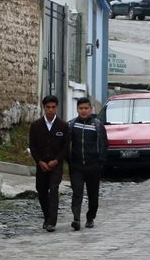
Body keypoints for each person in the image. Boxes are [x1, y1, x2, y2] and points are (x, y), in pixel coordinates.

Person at [28, 94, 70, 232]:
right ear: (44, 108)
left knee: (53, 190)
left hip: (56, 165)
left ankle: (52, 221)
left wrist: (56, 161)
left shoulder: (63, 126)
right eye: (48, 107)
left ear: (56, 108)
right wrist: (39, 161)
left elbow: (65, 147)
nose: (51, 110)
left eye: (53, 107)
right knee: (41, 190)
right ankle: (46, 217)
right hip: (41, 165)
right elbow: (32, 146)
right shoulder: (36, 125)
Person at [67, 96, 108, 231]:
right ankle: (76, 219)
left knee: (93, 194)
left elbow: (103, 144)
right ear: (77, 109)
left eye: (86, 108)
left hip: (93, 165)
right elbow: (66, 145)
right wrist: (70, 161)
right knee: (77, 192)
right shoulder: (72, 125)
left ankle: (90, 217)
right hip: (77, 166)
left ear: (90, 109)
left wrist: (100, 162)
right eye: (81, 108)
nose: (83, 111)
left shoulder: (97, 125)